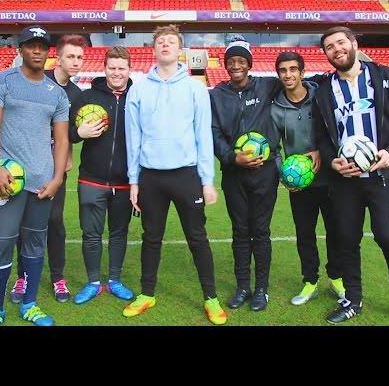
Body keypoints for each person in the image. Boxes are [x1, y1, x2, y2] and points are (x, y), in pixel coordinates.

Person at [123, 24, 227, 325]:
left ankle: (211, 298)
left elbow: (202, 136)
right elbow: (134, 138)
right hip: (151, 178)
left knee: (197, 238)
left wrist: (207, 181)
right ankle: (147, 293)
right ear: (153, 49)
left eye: (171, 41)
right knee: (150, 237)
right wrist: (134, 180)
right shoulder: (139, 88)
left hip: (186, 175)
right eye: (161, 41)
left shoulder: (195, 87)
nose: (166, 45)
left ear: (179, 49)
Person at [312, 26, 389, 323]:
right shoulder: (325, 90)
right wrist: (332, 161)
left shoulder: (384, 77)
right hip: (345, 181)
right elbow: (322, 135)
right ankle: (353, 299)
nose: (337, 49)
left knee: (388, 235)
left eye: (341, 43)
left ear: (354, 44)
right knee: (346, 238)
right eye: (330, 47)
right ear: (327, 54)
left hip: (383, 175)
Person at [0, 24, 69, 326]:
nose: (36, 51)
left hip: (42, 184)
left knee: (34, 245)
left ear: (48, 52)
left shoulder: (56, 94)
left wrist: (57, 178)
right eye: (30, 45)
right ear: (20, 49)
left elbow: (62, 140)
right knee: (3, 242)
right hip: (8, 183)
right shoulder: (1, 82)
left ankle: (29, 304)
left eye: (42, 46)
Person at [9, 34, 86, 304]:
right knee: (24, 223)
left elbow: (67, 134)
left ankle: (57, 278)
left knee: (54, 221)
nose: (75, 62)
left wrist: (78, 136)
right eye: (71, 56)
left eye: (80, 57)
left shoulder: (77, 95)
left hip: (55, 170)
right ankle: (23, 277)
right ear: (59, 57)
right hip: (26, 165)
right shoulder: (39, 81)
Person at [209, 35, 282, 312]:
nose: (236, 65)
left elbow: (300, 85)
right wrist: (231, 157)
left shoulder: (268, 86)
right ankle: (243, 287)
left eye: (241, 61)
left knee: (260, 231)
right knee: (240, 231)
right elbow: (213, 132)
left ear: (249, 64)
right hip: (233, 174)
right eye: (231, 61)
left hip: (265, 173)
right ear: (226, 65)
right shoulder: (216, 95)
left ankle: (261, 289)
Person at [270, 51, 345, 307]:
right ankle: (310, 281)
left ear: (302, 72)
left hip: (331, 177)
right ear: (278, 75)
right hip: (299, 183)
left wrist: (326, 154)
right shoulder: (276, 109)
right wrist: (283, 173)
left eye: (293, 69)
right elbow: (274, 147)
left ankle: (336, 278)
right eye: (283, 70)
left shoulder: (322, 96)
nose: (288, 75)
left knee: (336, 231)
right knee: (305, 234)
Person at [72, 46, 135, 304]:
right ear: (105, 68)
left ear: (129, 69)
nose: (117, 73)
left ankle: (115, 280)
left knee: (119, 234)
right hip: (91, 179)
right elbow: (65, 134)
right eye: (112, 67)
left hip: (124, 182)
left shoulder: (136, 98)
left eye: (121, 68)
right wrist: (79, 134)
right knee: (91, 234)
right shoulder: (86, 97)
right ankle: (93, 282)